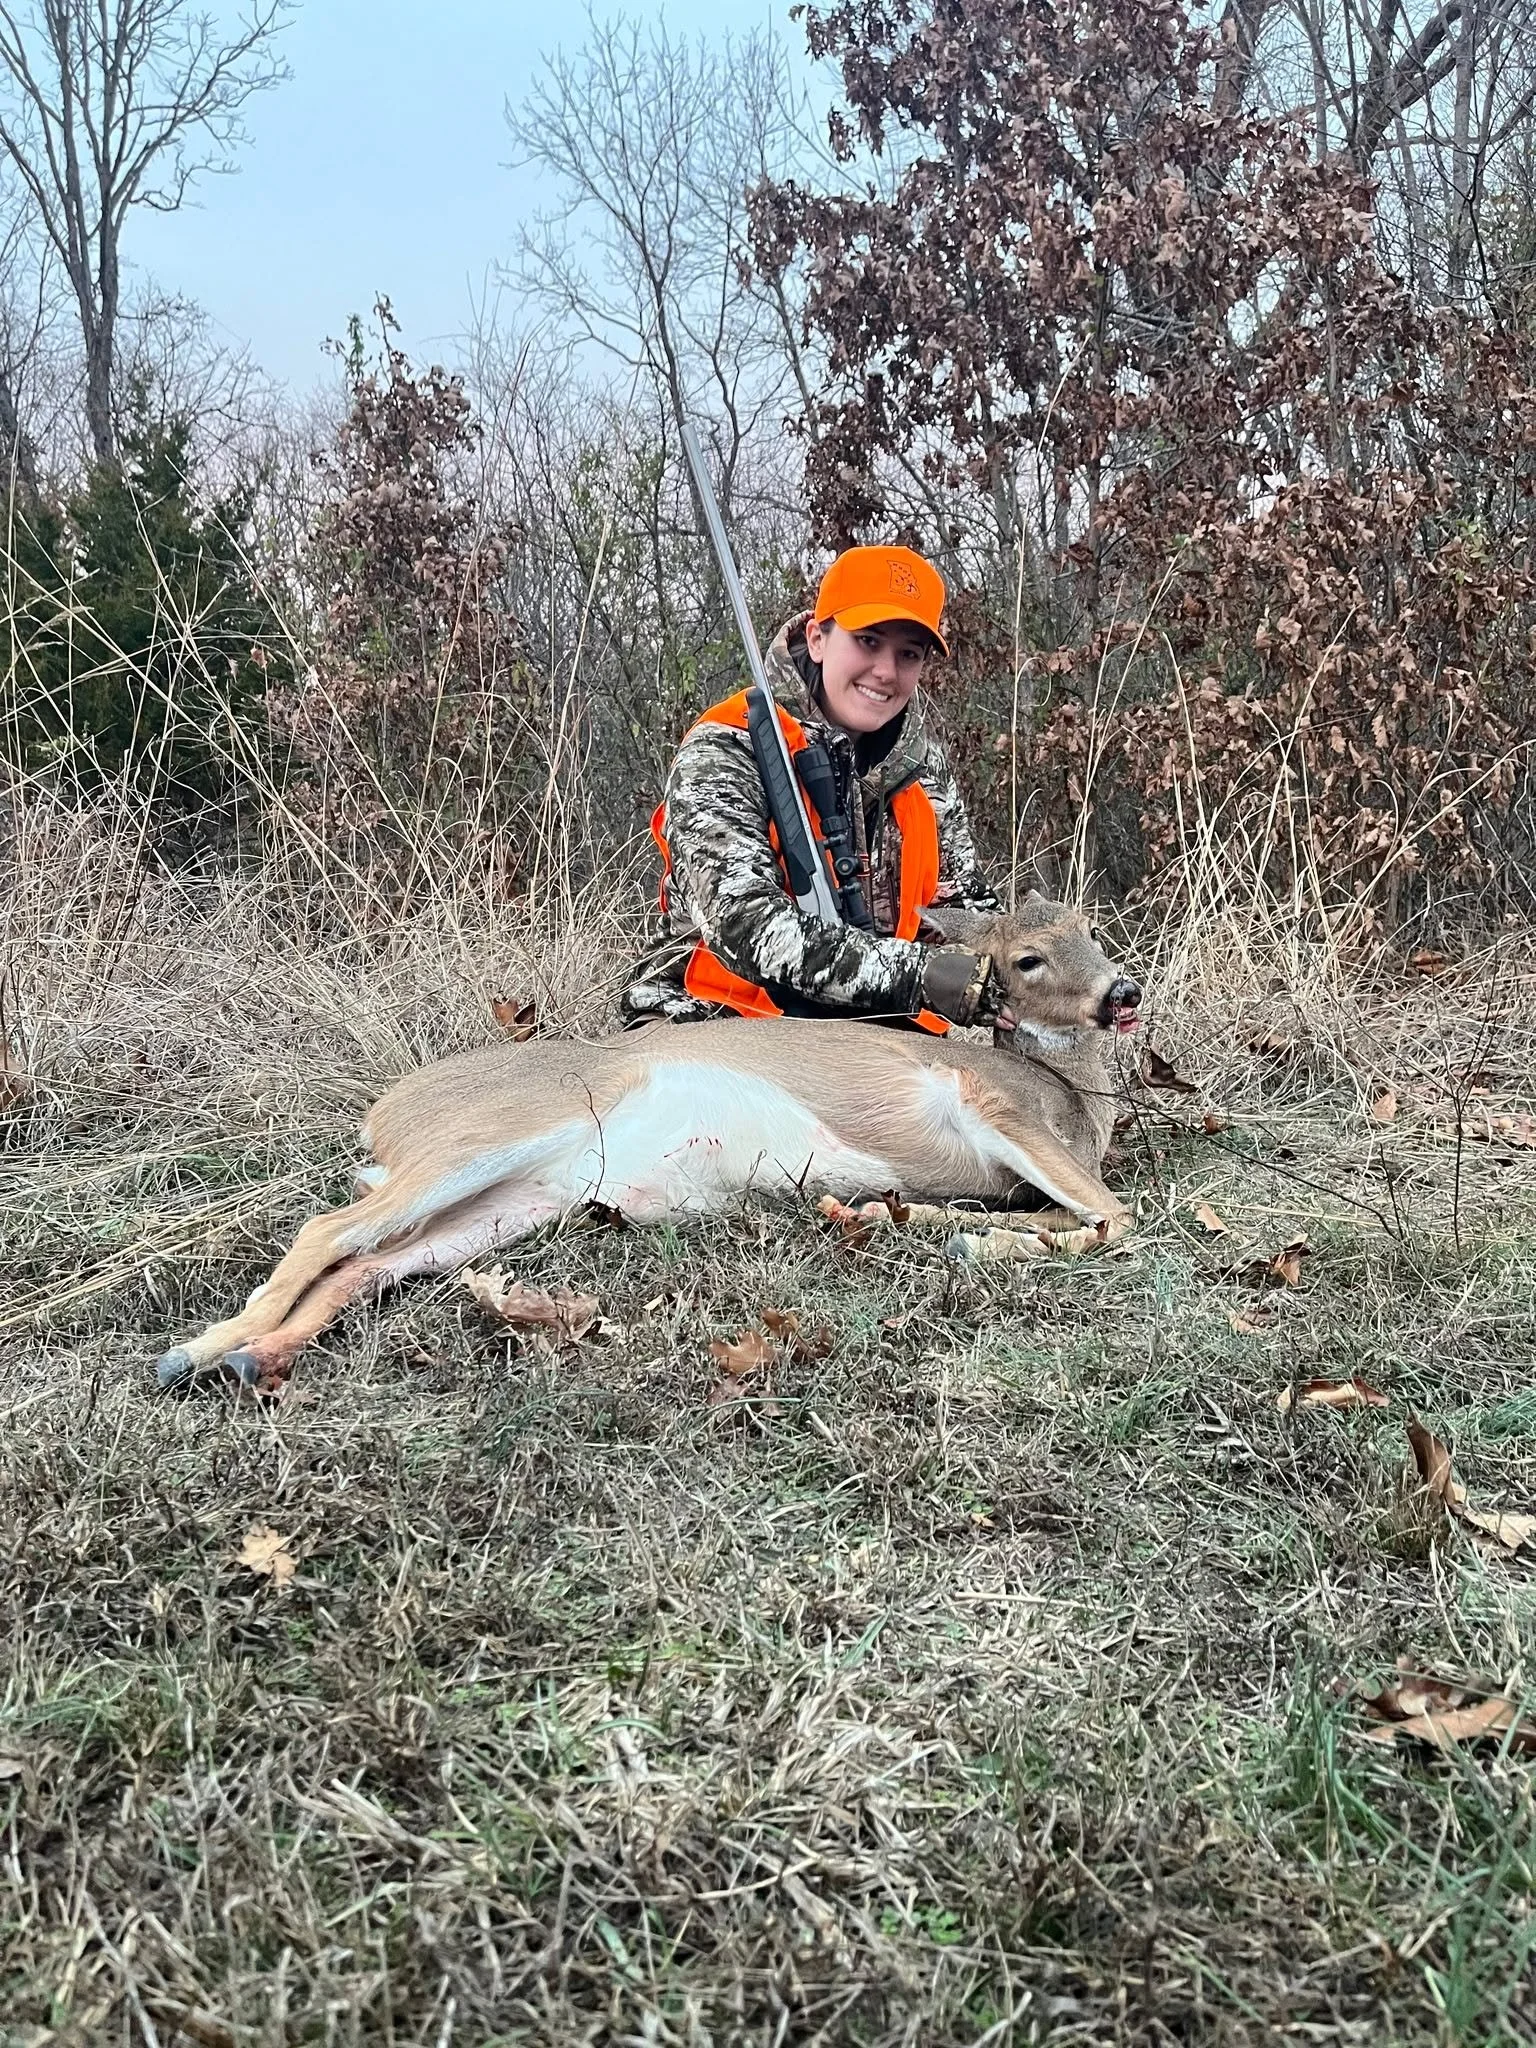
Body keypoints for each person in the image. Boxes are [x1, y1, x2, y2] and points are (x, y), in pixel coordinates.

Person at [621, 544, 1005, 1031]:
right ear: (817, 639)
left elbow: (965, 908)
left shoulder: (922, 770)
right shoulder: (727, 748)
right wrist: (922, 976)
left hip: (871, 1035)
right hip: (711, 1022)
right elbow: (746, 926)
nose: (886, 672)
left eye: (908, 653)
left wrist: (1044, 964)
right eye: (867, 641)